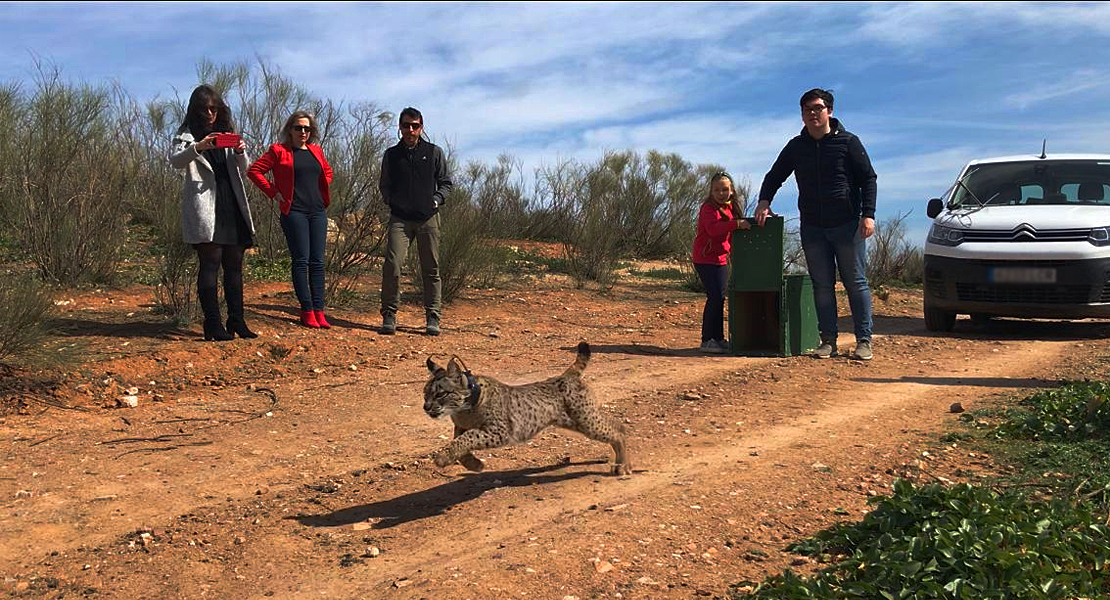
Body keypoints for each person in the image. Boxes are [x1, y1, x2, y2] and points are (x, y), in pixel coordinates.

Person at [754, 88, 878, 360]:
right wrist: (764, 201)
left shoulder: (848, 142)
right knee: (822, 285)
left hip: (847, 225)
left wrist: (868, 214)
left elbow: (869, 178)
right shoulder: (796, 147)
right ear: (802, 115)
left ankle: (864, 341)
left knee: (855, 283)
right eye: (807, 109)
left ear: (829, 111)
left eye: (818, 108)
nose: (813, 113)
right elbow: (775, 175)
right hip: (813, 227)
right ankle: (828, 341)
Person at [169, 85, 257, 342]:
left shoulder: (227, 133)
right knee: (210, 263)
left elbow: (246, 169)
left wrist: (241, 151)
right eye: (204, 108)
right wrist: (199, 147)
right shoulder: (186, 135)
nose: (209, 113)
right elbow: (175, 161)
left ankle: (237, 321)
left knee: (235, 265)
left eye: (214, 108)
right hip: (205, 205)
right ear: (195, 110)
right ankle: (212, 324)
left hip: (231, 202)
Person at [247, 111, 335, 329]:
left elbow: (327, 171)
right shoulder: (279, 151)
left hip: (317, 211)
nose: (303, 132)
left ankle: (319, 310)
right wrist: (274, 193)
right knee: (301, 260)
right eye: (298, 128)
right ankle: (306, 310)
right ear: (290, 130)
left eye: (307, 128)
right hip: (294, 211)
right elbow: (254, 171)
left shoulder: (316, 151)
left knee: (318, 262)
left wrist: (322, 187)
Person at [378, 107, 453, 336]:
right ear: (399, 128)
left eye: (415, 125)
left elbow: (446, 183)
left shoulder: (433, 153)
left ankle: (433, 317)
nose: (410, 130)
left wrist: (436, 201)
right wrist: (391, 200)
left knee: (431, 269)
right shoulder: (391, 155)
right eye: (406, 125)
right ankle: (389, 315)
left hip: (428, 218)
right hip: (399, 219)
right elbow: (384, 184)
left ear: (422, 127)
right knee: (392, 265)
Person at [693, 172, 751, 354]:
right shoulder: (707, 208)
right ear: (711, 191)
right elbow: (713, 229)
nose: (721, 193)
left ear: (731, 191)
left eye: (725, 189)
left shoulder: (731, 208)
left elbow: (731, 237)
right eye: (717, 190)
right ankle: (707, 340)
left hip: (720, 259)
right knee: (715, 297)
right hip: (705, 259)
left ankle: (717, 338)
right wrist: (736, 224)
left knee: (720, 298)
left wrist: (735, 255)